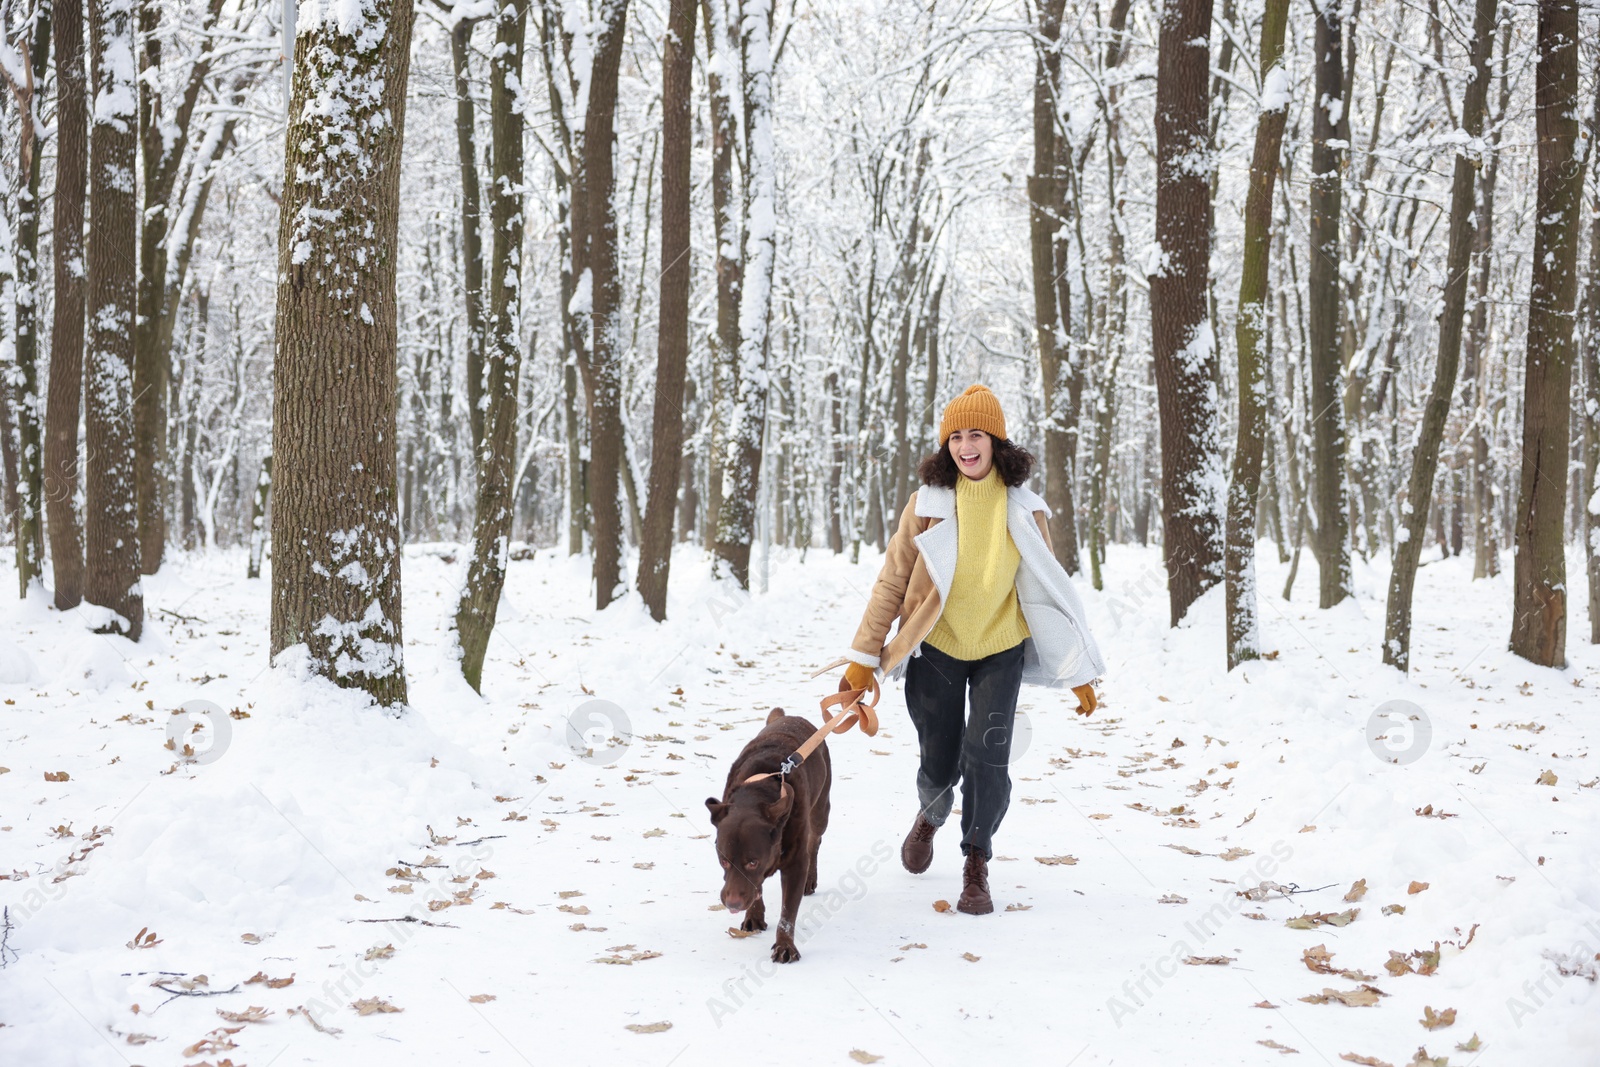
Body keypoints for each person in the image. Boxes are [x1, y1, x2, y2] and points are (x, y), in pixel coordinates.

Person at [838, 384, 1105, 914]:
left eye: (976, 434)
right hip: (935, 646)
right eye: (955, 436)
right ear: (946, 445)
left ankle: (976, 860)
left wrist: (1076, 669)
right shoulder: (927, 505)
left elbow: (1047, 593)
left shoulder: (1026, 510)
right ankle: (932, 814)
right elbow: (892, 583)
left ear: (996, 441)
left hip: (999, 648)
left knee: (989, 757)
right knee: (939, 759)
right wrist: (864, 658)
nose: (966, 445)